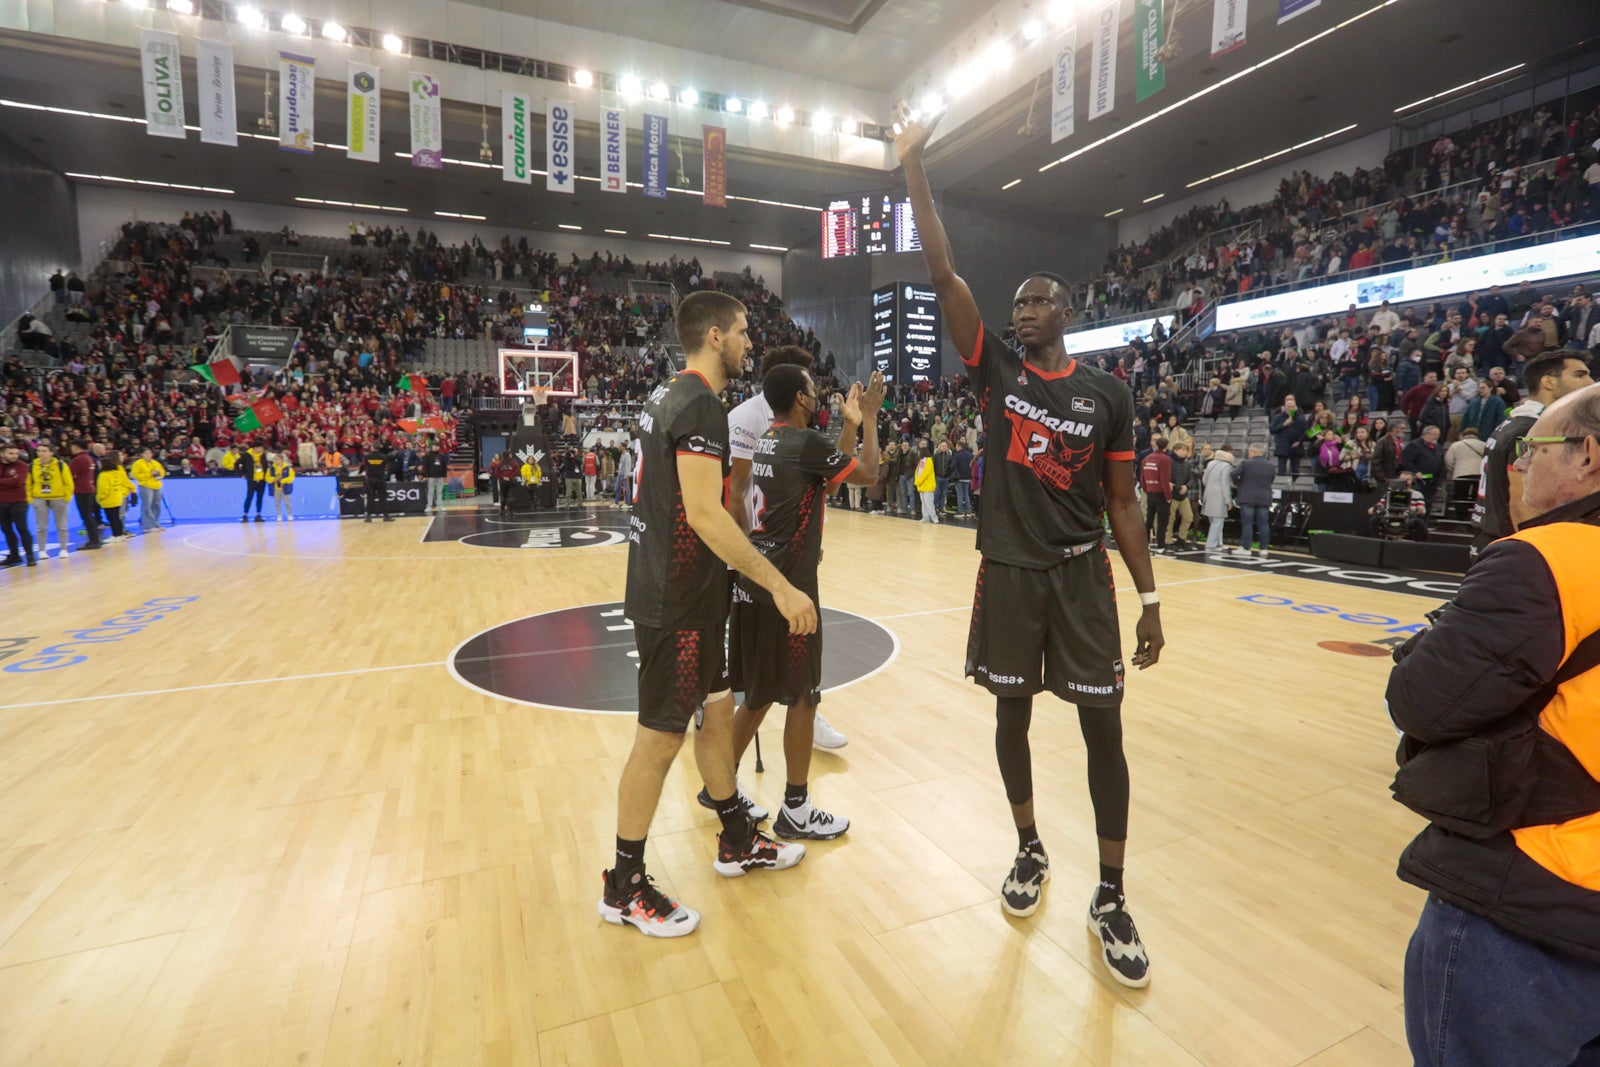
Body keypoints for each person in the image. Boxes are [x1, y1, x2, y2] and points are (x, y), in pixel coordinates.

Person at [899, 102, 1163, 988]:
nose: (1023, 311)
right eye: (1016, 303)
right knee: (1010, 717)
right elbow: (942, 270)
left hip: (1083, 576)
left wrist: (1152, 598)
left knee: (1104, 732)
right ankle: (1028, 847)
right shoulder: (996, 370)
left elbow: (1124, 503)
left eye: (1038, 299)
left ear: (1069, 310)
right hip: (1008, 573)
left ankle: (1113, 893)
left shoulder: (1108, 394)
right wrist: (913, 168)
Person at [1389, 381, 1600, 1064]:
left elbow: (1421, 698)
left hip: (1538, 895)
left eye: (1532, 449)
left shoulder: (1550, 559)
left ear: (1586, 455)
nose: (1519, 465)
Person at [601, 290, 815, 939]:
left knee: (718, 713)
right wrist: (780, 585)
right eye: (745, 332)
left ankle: (735, 835)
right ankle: (623, 884)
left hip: (688, 592)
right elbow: (703, 512)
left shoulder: (670, 395)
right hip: (678, 598)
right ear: (715, 335)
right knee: (661, 735)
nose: (751, 342)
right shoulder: (698, 404)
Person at [726, 364, 884, 843]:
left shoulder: (766, 442)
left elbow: (828, 482)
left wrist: (850, 426)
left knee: (755, 696)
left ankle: (720, 789)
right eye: (814, 392)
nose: (820, 397)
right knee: (801, 696)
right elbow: (870, 476)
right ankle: (795, 808)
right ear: (800, 399)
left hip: (753, 581)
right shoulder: (806, 443)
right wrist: (871, 420)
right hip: (790, 589)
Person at [727, 344, 851, 751]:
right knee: (774, 683)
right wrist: (743, 553)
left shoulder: (791, 428)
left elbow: (825, 482)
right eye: (807, 381)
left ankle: (804, 715)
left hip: (786, 548)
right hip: (760, 556)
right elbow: (736, 491)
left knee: (780, 681)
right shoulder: (747, 418)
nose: (813, 390)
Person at [1472, 351, 1593, 555]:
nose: (1590, 382)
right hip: (1509, 546)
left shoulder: (1514, 421)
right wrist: (1534, 555)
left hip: (1490, 537)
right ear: (1549, 382)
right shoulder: (1529, 430)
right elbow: (1522, 503)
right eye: (1580, 375)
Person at [27, 442, 72, 559]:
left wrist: (66, 497)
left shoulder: (61, 465)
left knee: (61, 525)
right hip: (39, 498)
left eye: (44, 451)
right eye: (39, 451)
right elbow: (28, 483)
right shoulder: (32, 465)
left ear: (51, 452)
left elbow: (68, 482)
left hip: (58, 498)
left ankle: (63, 548)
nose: (41, 453)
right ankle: (42, 550)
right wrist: (30, 498)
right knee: (41, 526)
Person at [1232, 444, 1276, 557]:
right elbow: (1271, 480)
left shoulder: (1246, 463)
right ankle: (1264, 549)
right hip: (1264, 497)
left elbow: (1233, 474)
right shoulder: (1271, 466)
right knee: (1263, 524)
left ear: (1252, 452)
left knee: (1247, 524)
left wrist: (1237, 483)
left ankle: (1246, 548)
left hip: (1247, 497)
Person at [0, 442, 35, 567]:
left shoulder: (22, 465)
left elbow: (18, 481)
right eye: (11, 453)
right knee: (6, 530)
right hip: (1, 502)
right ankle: (14, 555)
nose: (14, 456)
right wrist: (10, 480)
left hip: (18, 501)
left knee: (22, 528)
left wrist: (8, 481)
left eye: (16, 453)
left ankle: (30, 556)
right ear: (2, 453)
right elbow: (12, 481)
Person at [67, 439, 102, 550]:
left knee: (86, 516)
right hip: (89, 488)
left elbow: (69, 473)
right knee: (89, 515)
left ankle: (93, 541)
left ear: (76, 447)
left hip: (82, 490)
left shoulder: (79, 459)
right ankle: (95, 540)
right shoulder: (89, 458)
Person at [1200, 445, 1235, 554]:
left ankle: (1218, 543)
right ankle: (1211, 545)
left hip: (1208, 494)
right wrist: (1228, 500)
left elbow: (1204, 480)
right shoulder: (1227, 466)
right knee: (1218, 521)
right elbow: (1225, 484)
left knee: (1214, 521)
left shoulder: (1211, 463)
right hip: (1219, 495)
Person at [1139, 438, 1173, 551]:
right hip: (1161, 493)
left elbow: (1142, 478)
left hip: (1150, 492)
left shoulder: (1147, 458)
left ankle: (1145, 543)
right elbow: (1165, 480)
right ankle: (1161, 546)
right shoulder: (1165, 459)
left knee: (1149, 519)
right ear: (1166, 446)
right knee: (1162, 521)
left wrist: (1147, 489)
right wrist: (1168, 496)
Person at [95, 450, 135, 541]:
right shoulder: (117, 472)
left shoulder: (103, 475)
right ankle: (120, 534)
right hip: (118, 497)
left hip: (109, 500)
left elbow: (103, 490)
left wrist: (98, 499)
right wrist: (132, 490)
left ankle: (116, 535)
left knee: (113, 518)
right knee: (118, 517)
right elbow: (125, 482)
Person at [129, 446, 165, 533]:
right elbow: (135, 475)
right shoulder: (138, 464)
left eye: (149, 453)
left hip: (156, 485)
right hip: (145, 486)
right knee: (147, 506)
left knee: (156, 505)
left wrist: (159, 473)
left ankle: (156, 523)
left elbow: (163, 472)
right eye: (146, 453)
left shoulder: (155, 463)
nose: (148, 455)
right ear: (142, 455)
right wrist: (149, 474)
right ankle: (148, 526)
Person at [363, 442, 393, 522]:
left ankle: (368, 517)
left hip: (370, 479)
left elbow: (363, 466)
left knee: (370, 498)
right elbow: (387, 467)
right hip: (380, 479)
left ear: (372, 447)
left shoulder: (367, 457)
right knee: (383, 498)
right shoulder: (384, 457)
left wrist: (360, 473)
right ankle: (386, 516)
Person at [238, 442, 268, 523]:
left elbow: (266, 466)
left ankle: (258, 514)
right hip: (252, 479)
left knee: (260, 497)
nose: (262, 450)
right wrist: (241, 474)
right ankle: (245, 515)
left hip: (261, 479)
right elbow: (237, 464)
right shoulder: (246, 455)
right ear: (255, 448)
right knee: (249, 497)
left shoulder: (263, 455)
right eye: (261, 448)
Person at [267, 451, 296, 521]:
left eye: (278, 459)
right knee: (277, 503)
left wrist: (283, 481)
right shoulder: (271, 469)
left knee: (287, 503)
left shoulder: (288, 468)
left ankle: (289, 514)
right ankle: (279, 515)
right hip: (276, 488)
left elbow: (291, 477)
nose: (276, 460)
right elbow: (267, 477)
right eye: (275, 459)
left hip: (285, 488)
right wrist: (274, 479)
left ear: (282, 460)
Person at [913, 441, 937, 523]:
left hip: (928, 485)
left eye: (920, 451)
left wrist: (918, 481)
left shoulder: (929, 460)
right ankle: (925, 517)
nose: (919, 453)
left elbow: (926, 473)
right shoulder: (921, 461)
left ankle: (934, 518)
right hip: (921, 485)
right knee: (923, 502)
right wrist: (917, 481)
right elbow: (917, 472)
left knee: (929, 502)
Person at [421, 442, 448, 514]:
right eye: (434, 446)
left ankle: (440, 506)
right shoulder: (428, 456)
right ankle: (429, 506)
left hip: (440, 476)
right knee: (430, 492)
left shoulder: (442, 456)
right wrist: (426, 475)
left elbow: (444, 466)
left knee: (439, 492)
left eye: (437, 446)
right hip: (431, 476)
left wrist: (444, 475)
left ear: (439, 447)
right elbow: (425, 466)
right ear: (432, 447)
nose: (436, 447)